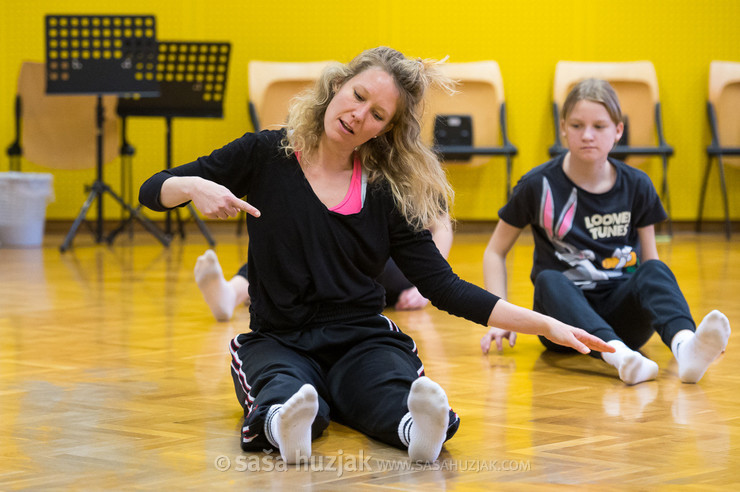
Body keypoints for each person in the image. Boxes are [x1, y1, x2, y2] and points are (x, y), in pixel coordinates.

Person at [139, 47, 612, 465]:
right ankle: (288, 424)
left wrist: (545, 324)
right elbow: (151, 190)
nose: (358, 114)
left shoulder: (384, 190)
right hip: (280, 336)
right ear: (337, 85)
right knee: (283, 384)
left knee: (388, 386)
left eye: (377, 113)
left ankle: (417, 433)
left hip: (360, 339)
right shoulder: (266, 153)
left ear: (386, 130)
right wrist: (192, 186)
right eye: (357, 95)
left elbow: (443, 287)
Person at [480, 78, 730, 386]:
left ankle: (685, 348)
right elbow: (494, 251)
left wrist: (668, 311)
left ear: (618, 130)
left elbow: (650, 264)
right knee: (548, 280)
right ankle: (620, 357)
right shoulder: (537, 185)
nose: (587, 135)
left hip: (625, 318)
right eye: (576, 125)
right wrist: (499, 317)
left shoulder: (638, 184)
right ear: (563, 128)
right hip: (563, 326)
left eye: (599, 126)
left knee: (654, 269)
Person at [194, 213, 453, 321]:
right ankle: (230, 295)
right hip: (330, 266)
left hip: (384, 268)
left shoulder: (400, 166)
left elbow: (442, 224)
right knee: (280, 254)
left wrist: (425, 287)